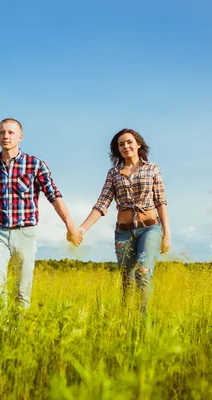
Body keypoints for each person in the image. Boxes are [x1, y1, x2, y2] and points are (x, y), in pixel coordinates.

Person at [0, 118, 81, 312]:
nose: (5, 136)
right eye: (1, 132)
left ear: (20, 137)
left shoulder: (35, 164)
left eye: (10, 132)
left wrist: (70, 225)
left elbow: (54, 195)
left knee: (22, 288)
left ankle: (18, 333)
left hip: (25, 233)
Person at [75, 128, 171, 311]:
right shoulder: (114, 173)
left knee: (143, 272)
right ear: (117, 149)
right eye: (121, 144)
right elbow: (102, 203)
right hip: (124, 232)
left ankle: (143, 323)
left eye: (129, 142)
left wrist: (167, 234)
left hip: (150, 228)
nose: (125, 146)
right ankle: (127, 321)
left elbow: (161, 201)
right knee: (128, 280)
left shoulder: (152, 168)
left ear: (138, 144)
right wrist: (82, 229)